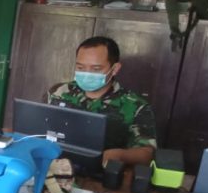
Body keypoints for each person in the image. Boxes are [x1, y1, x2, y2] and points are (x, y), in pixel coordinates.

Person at [48, 36, 157, 166]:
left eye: (96, 69)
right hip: (55, 164)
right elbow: (39, 129)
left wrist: (119, 155)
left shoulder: (135, 105)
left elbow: (147, 153)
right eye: (81, 68)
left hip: (102, 172)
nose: (87, 74)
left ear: (115, 69)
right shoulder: (60, 92)